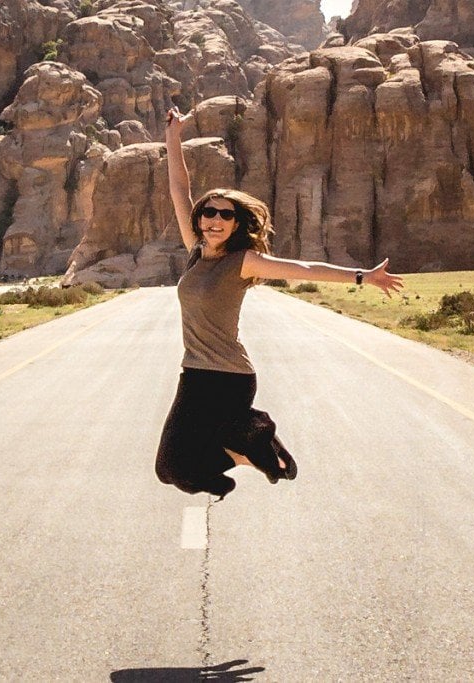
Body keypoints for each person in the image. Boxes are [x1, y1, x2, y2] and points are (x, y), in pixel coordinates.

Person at [155, 106, 405, 499]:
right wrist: (173, 136)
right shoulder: (195, 251)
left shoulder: (243, 262)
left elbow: (304, 267)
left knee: (181, 465)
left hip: (228, 379)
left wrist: (362, 276)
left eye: (225, 215)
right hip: (194, 375)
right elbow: (178, 189)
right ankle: (252, 453)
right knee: (169, 469)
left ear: (237, 224)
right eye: (208, 213)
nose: (213, 220)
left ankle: (256, 433)